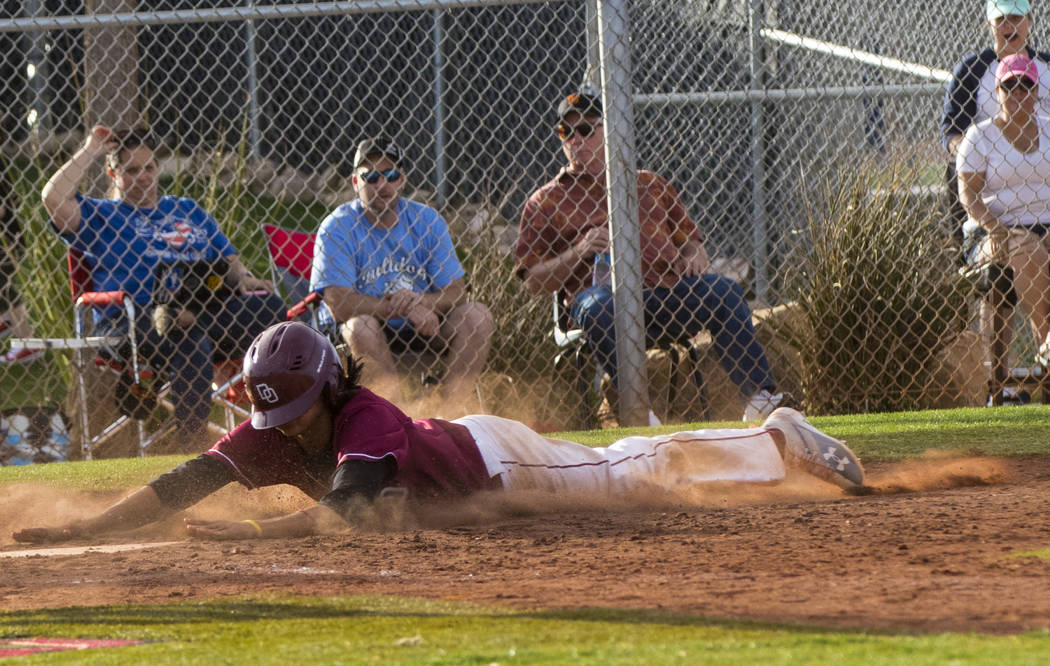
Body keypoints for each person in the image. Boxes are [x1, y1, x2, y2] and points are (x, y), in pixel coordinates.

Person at [11, 321, 864, 544]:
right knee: (632, 469)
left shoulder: (363, 419)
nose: (279, 428)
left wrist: (243, 538)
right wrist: (87, 528)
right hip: (468, 462)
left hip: (497, 463)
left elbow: (345, 514)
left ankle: (778, 440)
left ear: (327, 388)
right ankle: (769, 444)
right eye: (271, 413)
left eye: (292, 407)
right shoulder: (276, 434)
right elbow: (178, 486)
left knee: (631, 466)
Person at [516, 91, 787, 422]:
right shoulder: (546, 201)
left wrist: (694, 256)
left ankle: (760, 398)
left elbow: (691, 243)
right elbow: (532, 281)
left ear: (608, 131)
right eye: (565, 132)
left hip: (665, 296)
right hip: (605, 303)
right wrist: (580, 251)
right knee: (598, 305)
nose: (575, 139)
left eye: (585, 129)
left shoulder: (649, 184)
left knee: (725, 291)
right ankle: (639, 411)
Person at [41, 125, 286, 451]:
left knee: (273, 311)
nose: (143, 176)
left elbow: (227, 260)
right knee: (190, 342)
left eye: (149, 167)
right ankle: (194, 451)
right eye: (131, 170)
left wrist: (242, 277)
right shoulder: (102, 215)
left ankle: (279, 431)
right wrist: (91, 148)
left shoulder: (187, 210)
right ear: (112, 172)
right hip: (134, 319)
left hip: (203, 310)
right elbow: (53, 197)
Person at [310, 135, 494, 411]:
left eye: (390, 174)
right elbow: (339, 303)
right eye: (370, 176)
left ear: (402, 180)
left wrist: (422, 303)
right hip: (362, 331)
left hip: (423, 323)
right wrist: (402, 308)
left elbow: (456, 290)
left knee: (478, 317)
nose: (381, 184)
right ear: (355, 183)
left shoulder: (427, 220)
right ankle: (396, 419)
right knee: (361, 327)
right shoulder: (337, 227)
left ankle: (448, 415)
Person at [957, 53, 1050, 366]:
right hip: (997, 230)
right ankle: (1047, 344)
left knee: (1038, 244)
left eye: (1027, 85)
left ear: (1037, 91)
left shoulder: (1049, 130)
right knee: (1029, 251)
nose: (1019, 93)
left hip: (1046, 224)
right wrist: (994, 227)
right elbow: (968, 195)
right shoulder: (981, 136)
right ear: (997, 91)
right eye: (1010, 85)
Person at [941, 0, 1050, 239]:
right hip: (992, 164)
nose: (1009, 25)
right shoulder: (973, 69)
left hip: (1042, 157)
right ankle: (963, 252)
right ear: (989, 24)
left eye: (1016, 18)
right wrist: (972, 152)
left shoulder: (1045, 66)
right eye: (1001, 19)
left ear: (1029, 21)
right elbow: (951, 129)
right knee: (957, 169)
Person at [0, 165, 41, 365]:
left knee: (3, 286)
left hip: (7, 237)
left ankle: (28, 342)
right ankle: (5, 319)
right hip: (10, 232)